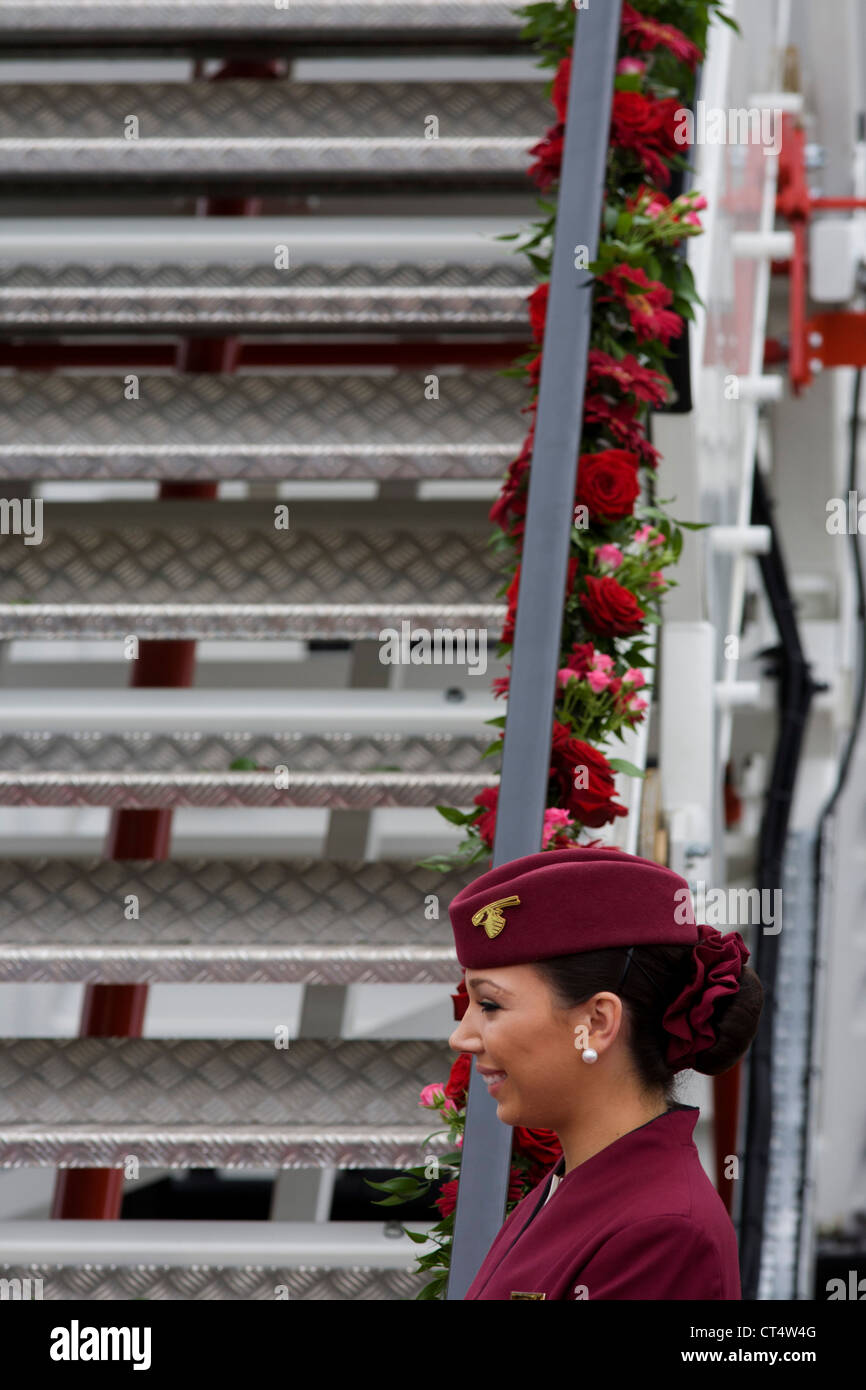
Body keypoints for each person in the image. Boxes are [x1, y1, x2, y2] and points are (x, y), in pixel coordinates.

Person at [446, 845, 764, 1300]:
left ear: (596, 1023)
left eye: (490, 1005)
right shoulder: (584, 1184)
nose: (463, 1037)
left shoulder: (664, 1234)